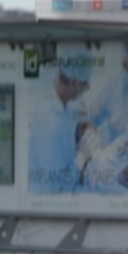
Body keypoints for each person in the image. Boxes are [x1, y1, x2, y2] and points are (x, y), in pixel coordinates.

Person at [28, 46, 97, 193]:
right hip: (50, 205)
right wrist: (82, 157)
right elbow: (55, 187)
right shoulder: (49, 123)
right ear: (73, 82)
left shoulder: (59, 102)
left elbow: (61, 141)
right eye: (85, 85)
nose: (85, 89)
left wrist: (77, 132)